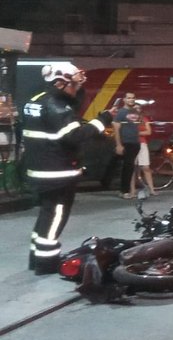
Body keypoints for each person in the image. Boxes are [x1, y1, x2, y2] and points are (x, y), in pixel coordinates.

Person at [22, 63, 112, 274]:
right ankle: (47, 263)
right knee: (55, 216)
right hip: (57, 173)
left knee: (46, 215)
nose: (77, 90)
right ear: (60, 83)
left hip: (40, 170)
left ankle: (36, 256)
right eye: (74, 85)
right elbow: (74, 136)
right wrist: (103, 120)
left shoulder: (36, 101)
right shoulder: (56, 105)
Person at [113, 92, 141, 199]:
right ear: (124, 100)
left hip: (135, 143)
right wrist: (119, 145)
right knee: (127, 167)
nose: (131, 100)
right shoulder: (121, 112)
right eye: (129, 98)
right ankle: (124, 191)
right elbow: (116, 128)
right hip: (126, 142)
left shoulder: (135, 112)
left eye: (133, 98)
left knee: (130, 167)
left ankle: (127, 190)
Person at [133, 104, 156, 197]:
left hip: (142, 144)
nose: (137, 110)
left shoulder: (144, 119)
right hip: (132, 144)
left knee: (146, 167)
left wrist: (137, 133)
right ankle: (132, 190)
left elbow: (148, 131)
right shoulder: (128, 119)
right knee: (133, 168)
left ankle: (151, 189)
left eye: (138, 108)